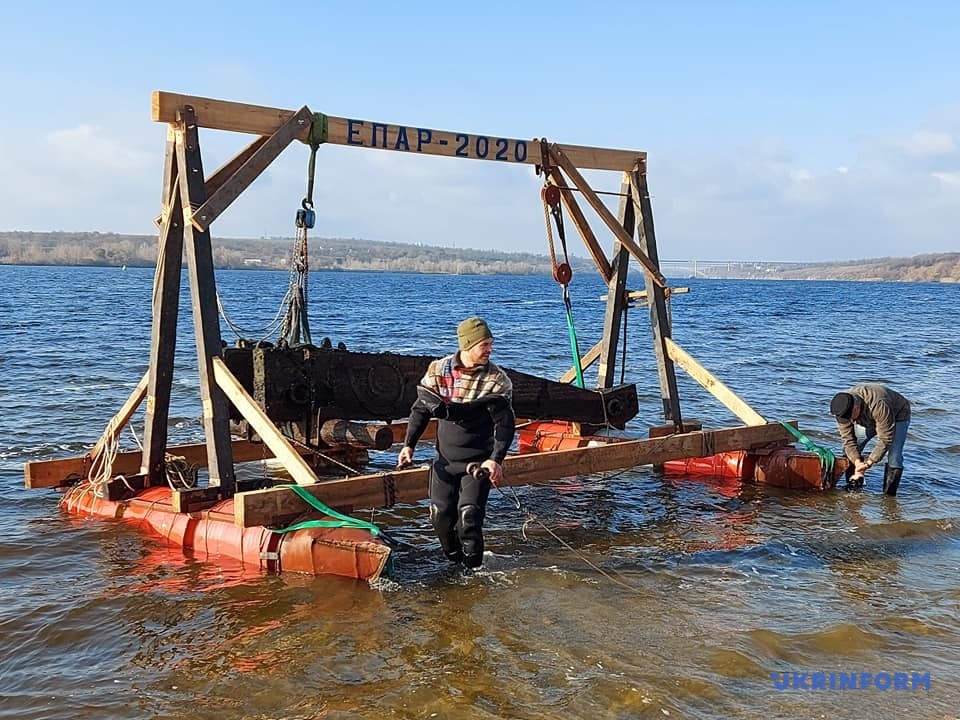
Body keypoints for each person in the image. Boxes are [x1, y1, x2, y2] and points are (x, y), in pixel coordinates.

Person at [397, 317, 516, 568]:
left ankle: (474, 571)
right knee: (440, 517)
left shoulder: (497, 380)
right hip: (445, 462)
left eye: (491, 344)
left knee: (469, 517)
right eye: (484, 345)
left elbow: (505, 425)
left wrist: (496, 460)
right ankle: (453, 564)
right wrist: (409, 445)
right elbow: (420, 410)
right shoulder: (438, 371)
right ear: (467, 345)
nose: (490, 350)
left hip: (477, 462)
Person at [829, 384, 911, 496]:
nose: (850, 421)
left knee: (894, 456)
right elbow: (848, 440)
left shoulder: (879, 404)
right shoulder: (842, 409)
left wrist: (869, 462)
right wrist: (857, 462)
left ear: (856, 408)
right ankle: (854, 486)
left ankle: (889, 497)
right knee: (850, 450)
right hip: (868, 418)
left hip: (898, 415)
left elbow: (885, 438)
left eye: (851, 417)